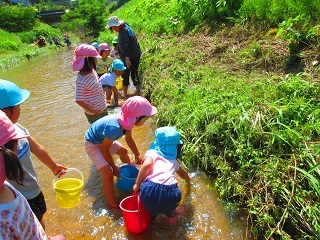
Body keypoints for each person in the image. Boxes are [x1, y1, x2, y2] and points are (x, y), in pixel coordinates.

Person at [0, 79, 68, 230]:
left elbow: (37, 148)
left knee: (40, 217)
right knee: (28, 227)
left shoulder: (18, 128)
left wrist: (53, 166)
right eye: (18, 106)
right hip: (17, 198)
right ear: (4, 112)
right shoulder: (2, 144)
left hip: (34, 189)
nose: (20, 109)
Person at [84, 96, 157, 208]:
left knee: (123, 151)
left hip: (103, 140)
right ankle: (112, 204)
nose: (145, 122)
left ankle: (127, 174)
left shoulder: (128, 120)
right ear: (136, 117)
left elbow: (128, 139)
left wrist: (137, 154)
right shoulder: (114, 127)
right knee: (108, 173)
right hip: (93, 143)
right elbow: (104, 149)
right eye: (145, 119)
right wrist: (113, 167)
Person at [133, 126, 191, 224]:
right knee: (170, 211)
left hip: (150, 192)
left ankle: (151, 217)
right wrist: (188, 180)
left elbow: (146, 165)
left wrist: (137, 184)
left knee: (148, 208)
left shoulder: (151, 153)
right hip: (172, 194)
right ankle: (172, 216)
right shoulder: (174, 161)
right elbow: (183, 174)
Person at [106, 16, 142, 98]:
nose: (114, 29)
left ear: (116, 25)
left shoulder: (123, 31)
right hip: (135, 53)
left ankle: (126, 94)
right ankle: (136, 91)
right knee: (133, 72)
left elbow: (125, 46)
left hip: (130, 56)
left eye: (114, 27)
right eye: (112, 28)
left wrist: (127, 59)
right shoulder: (125, 26)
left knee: (125, 74)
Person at [73, 44, 108, 124]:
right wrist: (94, 111)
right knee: (98, 133)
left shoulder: (92, 71)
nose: (97, 60)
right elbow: (79, 100)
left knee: (107, 128)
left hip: (103, 106)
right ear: (88, 61)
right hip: (93, 113)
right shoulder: (81, 80)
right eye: (95, 58)